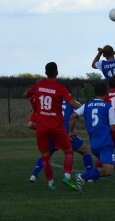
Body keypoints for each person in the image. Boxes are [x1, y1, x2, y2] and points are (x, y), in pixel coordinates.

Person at [69, 83, 115, 196]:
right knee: (108, 170)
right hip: (105, 144)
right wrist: (108, 134)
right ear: (106, 93)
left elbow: (73, 116)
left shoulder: (86, 105)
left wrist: (71, 132)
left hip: (94, 144)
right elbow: (113, 127)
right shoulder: (108, 107)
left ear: (94, 92)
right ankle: (82, 176)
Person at [23, 62, 81, 191]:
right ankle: (66, 176)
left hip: (41, 127)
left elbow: (25, 95)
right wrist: (85, 108)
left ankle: (51, 183)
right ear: (57, 72)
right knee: (68, 150)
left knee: (45, 155)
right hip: (56, 126)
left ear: (45, 73)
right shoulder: (61, 88)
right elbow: (72, 103)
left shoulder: (39, 85)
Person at [29, 86, 94, 182]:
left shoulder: (53, 102)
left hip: (52, 132)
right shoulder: (74, 103)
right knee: (85, 151)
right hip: (65, 133)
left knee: (46, 155)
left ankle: (34, 175)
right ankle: (90, 177)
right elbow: (84, 112)